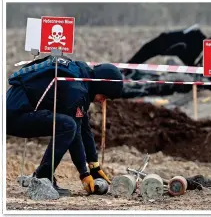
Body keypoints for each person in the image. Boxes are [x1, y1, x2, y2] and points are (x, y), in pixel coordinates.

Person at [6, 55, 123, 195]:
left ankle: (43, 175)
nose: (102, 101)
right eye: (104, 97)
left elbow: (84, 126)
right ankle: (43, 178)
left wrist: (94, 165)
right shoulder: (77, 90)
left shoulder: (80, 76)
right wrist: (84, 173)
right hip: (14, 116)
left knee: (70, 124)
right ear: (101, 86)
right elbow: (76, 134)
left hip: (15, 108)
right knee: (67, 126)